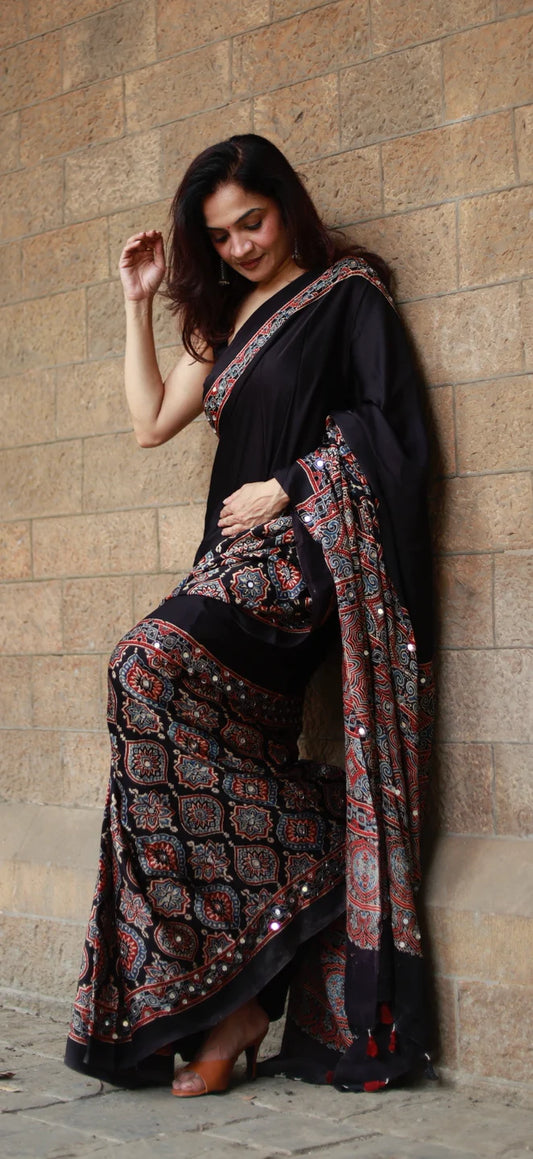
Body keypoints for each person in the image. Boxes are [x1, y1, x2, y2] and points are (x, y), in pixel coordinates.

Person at [65, 133, 434, 1096]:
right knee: (160, 735)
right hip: (226, 562)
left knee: (141, 663)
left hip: (302, 561)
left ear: (286, 206)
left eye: (252, 222)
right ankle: (235, 995)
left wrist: (292, 482)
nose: (240, 247)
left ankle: (320, 852)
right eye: (221, 236)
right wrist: (137, 302)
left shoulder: (347, 294)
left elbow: (393, 428)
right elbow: (150, 422)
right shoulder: (226, 319)